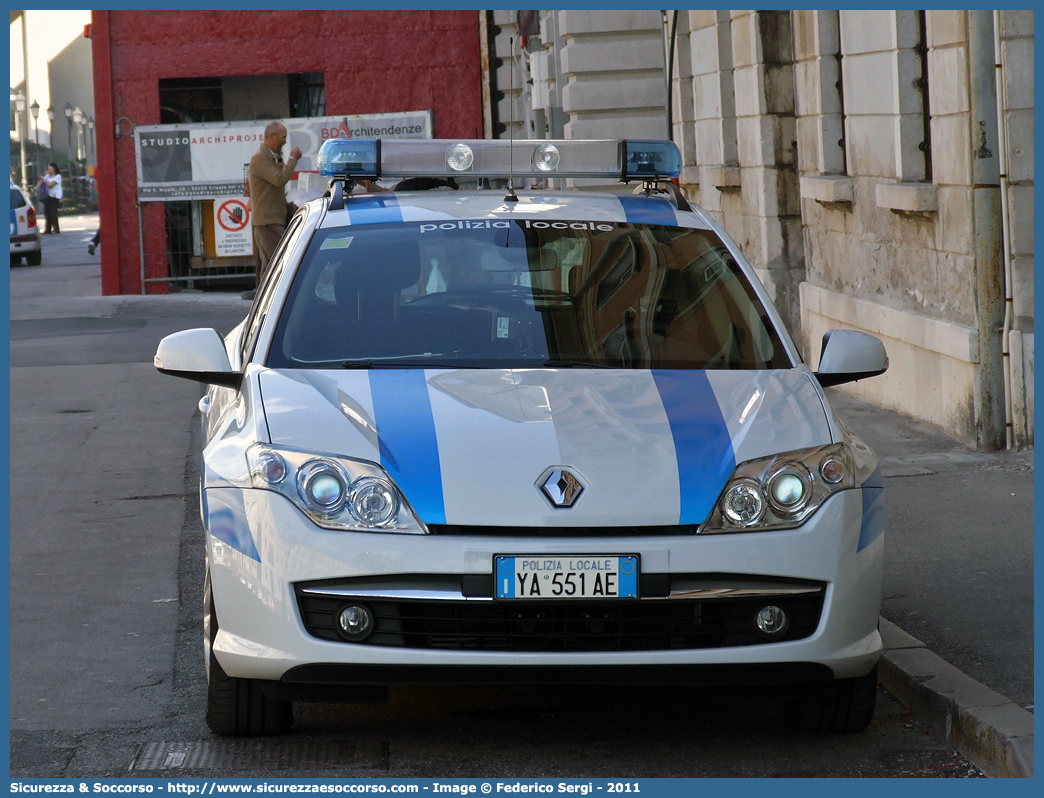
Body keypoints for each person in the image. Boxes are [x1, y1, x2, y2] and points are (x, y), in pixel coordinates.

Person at [246, 121, 301, 297]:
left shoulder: (270, 157)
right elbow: (279, 180)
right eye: (282, 137)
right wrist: (293, 159)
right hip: (268, 220)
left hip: (271, 218)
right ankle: (274, 300)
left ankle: (264, 300)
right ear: (272, 137)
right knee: (281, 260)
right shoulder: (260, 159)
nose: (285, 141)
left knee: (269, 265)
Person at [38, 163, 63, 234]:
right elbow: (41, 182)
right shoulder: (47, 176)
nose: (48, 170)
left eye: (50, 169)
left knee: (53, 212)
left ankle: (56, 228)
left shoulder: (58, 177)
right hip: (48, 195)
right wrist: (37, 187)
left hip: (55, 196)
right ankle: (48, 229)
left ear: (54, 169)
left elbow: (50, 185)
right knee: (47, 212)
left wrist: (45, 180)